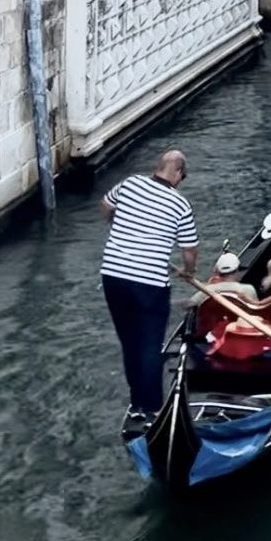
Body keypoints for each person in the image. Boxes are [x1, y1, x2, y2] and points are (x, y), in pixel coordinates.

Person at [100, 149, 198, 421]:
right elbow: (189, 250)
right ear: (178, 172)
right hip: (149, 283)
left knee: (129, 342)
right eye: (183, 177)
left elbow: (105, 206)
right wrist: (189, 273)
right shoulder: (180, 204)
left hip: (113, 276)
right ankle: (153, 409)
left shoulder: (129, 183)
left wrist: (120, 228)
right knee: (150, 345)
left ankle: (136, 404)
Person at [187, 251, 259, 309]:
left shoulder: (207, 290)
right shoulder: (249, 289)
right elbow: (257, 310)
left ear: (218, 272)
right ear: (237, 270)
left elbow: (188, 305)